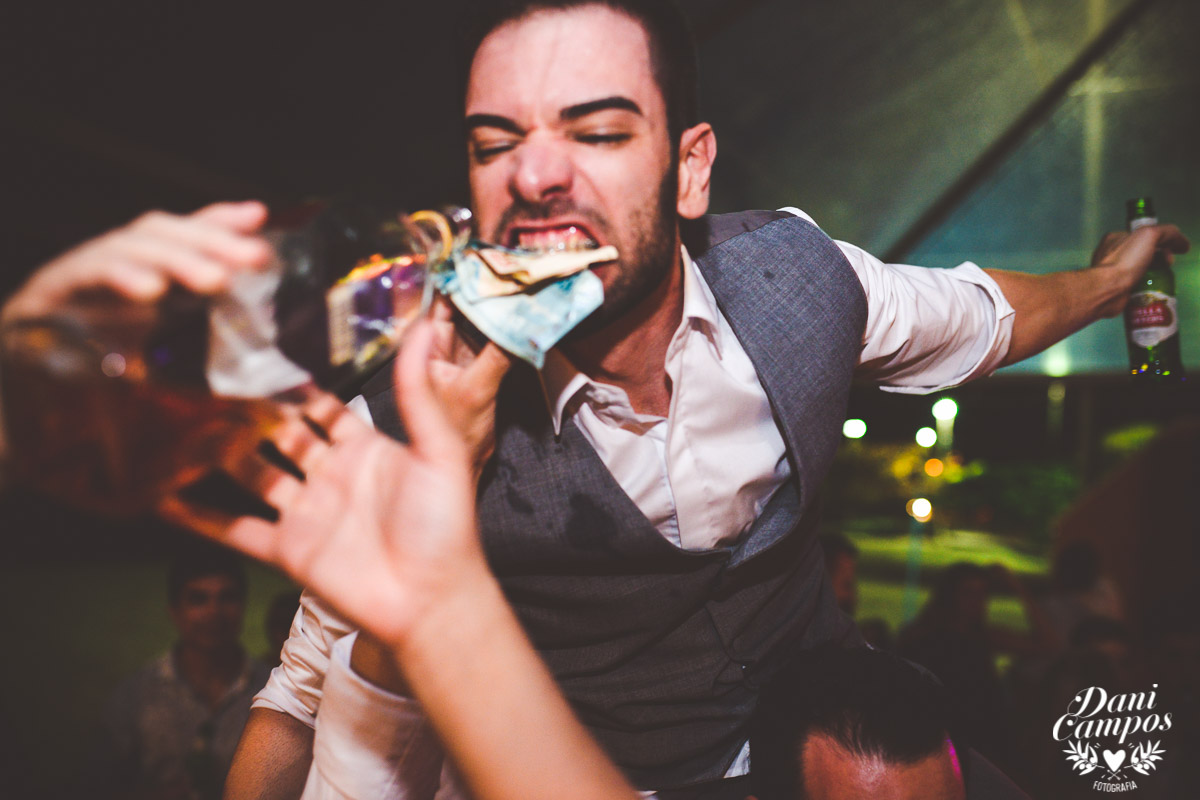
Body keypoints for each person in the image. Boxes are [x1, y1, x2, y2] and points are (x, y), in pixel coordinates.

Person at [0, 0, 1187, 796]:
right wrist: (47, 367)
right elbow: (308, 695)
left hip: (802, 741)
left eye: (599, 129)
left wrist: (1106, 279)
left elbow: (984, 316)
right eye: (494, 139)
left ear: (690, 165)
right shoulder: (421, 387)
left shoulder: (801, 278)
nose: (536, 171)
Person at [89, 544, 272, 800]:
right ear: (174, 611)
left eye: (227, 597)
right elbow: (94, 785)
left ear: (243, 606)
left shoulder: (272, 689)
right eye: (198, 599)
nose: (214, 612)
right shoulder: (137, 694)